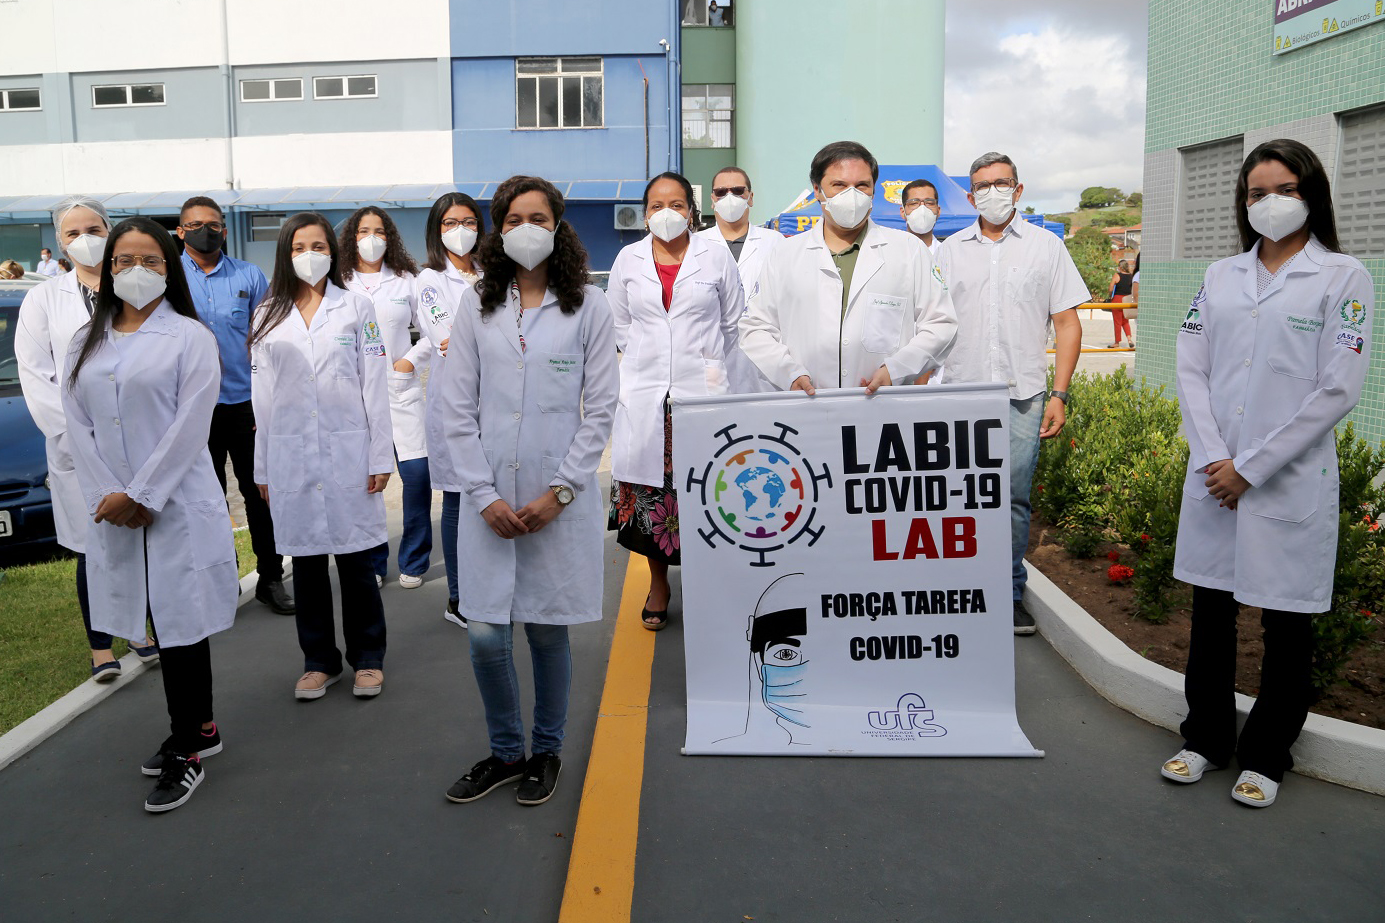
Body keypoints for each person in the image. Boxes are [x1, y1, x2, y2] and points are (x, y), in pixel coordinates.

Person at [1161, 139, 1371, 809]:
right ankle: (1203, 740)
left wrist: (1248, 467)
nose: (1268, 202)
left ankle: (1267, 754)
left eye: (1282, 188)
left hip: (1283, 479)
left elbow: (1337, 390)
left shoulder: (1342, 276)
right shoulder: (1221, 275)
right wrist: (1212, 456)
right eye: (1255, 193)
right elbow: (1190, 365)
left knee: (1286, 625)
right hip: (1214, 472)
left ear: (1310, 193)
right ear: (1242, 201)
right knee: (1210, 614)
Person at [434, 175, 617, 806]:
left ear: (559, 226)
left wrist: (560, 493)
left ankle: (546, 750)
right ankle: (505, 751)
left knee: (546, 630)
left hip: (554, 502)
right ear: (498, 231)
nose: (525, 229)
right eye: (512, 219)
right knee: (486, 632)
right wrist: (482, 495)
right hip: (489, 500)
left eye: (537, 217)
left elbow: (601, 411)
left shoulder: (588, 307)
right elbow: (456, 409)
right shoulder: (477, 306)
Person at [62, 217, 237, 813]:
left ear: (171, 266)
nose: (137, 271)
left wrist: (142, 494)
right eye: (125, 260)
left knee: (181, 625)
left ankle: (189, 747)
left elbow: (193, 425)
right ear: (108, 268)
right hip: (115, 506)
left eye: (151, 261)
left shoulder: (191, 337)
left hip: (174, 503)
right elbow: (77, 424)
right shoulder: (85, 339)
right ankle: (201, 729)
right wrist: (107, 494)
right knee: (156, 621)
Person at [935, 152, 1087, 635]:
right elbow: (928, 325)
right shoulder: (949, 250)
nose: (992, 192)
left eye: (1001, 183)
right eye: (982, 185)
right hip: (961, 396)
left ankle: (1007, 592)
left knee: (1012, 497)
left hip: (1023, 395)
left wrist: (1060, 394)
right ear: (969, 194)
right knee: (956, 498)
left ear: (1018, 190)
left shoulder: (1047, 247)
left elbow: (1067, 323)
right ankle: (957, 588)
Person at [249, 212, 393, 700]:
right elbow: (262, 399)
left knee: (355, 564)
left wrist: (379, 456)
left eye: (318, 245)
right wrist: (263, 468)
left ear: (333, 251)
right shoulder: (267, 314)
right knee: (307, 566)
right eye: (298, 246)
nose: (309, 254)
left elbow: (374, 382)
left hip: (348, 450)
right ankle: (319, 661)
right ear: (285, 254)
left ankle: (368, 658)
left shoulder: (356, 307)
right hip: (292, 455)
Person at [17, 196, 157, 681]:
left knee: (138, 535)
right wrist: (81, 431)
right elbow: (35, 374)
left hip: (137, 437)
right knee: (90, 544)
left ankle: (139, 631)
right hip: (75, 444)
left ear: (110, 229)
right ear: (59, 242)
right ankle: (100, 646)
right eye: (73, 233)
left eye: (93, 228)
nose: (85, 239)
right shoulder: (43, 299)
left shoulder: (135, 288)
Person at [607, 171, 746, 630]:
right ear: (645, 213)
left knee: (707, 493)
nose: (666, 214)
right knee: (654, 497)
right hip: (647, 395)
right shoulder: (627, 260)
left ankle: (708, 586)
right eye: (655, 206)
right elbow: (619, 324)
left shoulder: (716, 255)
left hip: (699, 392)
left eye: (676, 204)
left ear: (691, 210)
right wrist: (652, 359)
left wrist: (703, 364)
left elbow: (731, 323)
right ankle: (659, 584)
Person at [740, 140, 957, 398]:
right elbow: (755, 328)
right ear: (818, 190)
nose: (851, 195)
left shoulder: (908, 250)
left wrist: (896, 369)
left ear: (873, 190)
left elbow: (941, 324)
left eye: (861, 185)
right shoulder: (785, 254)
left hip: (886, 406)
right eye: (839, 185)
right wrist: (789, 374)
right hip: (806, 404)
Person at [176, 196, 293, 615]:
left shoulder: (249, 275)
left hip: (245, 404)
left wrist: (272, 404)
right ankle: (218, 580)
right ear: (180, 231)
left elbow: (271, 338)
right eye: (194, 224)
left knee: (260, 493)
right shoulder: (169, 278)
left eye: (212, 224)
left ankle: (270, 577)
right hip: (191, 408)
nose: (204, 230)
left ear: (224, 230)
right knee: (205, 499)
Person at [339, 206, 433, 590]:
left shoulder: (408, 281)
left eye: (379, 230)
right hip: (354, 396)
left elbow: (433, 331)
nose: (372, 238)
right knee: (366, 480)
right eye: (363, 230)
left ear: (390, 237)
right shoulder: (339, 282)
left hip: (399, 390)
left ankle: (414, 559)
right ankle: (374, 562)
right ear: (351, 238)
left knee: (416, 476)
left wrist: (410, 361)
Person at [415, 192, 486, 628]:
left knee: (493, 495)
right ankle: (458, 597)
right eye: (448, 222)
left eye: (468, 220)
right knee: (459, 499)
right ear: (436, 230)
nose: (459, 229)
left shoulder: (493, 273)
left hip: (497, 397)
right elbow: (447, 336)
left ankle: (489, 587)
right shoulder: (429, 280)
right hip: (456, 398)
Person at [899, 178, 943, 262]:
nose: (922, 210)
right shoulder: (892, 254)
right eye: (914, 203)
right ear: (902, 212)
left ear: (938, 211)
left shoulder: (947, 254)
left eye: (929, 203)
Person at [1107, 258, 1134, 348]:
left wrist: (1110, 295)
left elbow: (1111, 287)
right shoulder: (1131, 276)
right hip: (1127, 300)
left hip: (1118, 299)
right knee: (1125, 321)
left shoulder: (1117, 275)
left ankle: (1117, 342)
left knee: (1117, 321)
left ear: (1120, 267)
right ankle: (1129, 339)